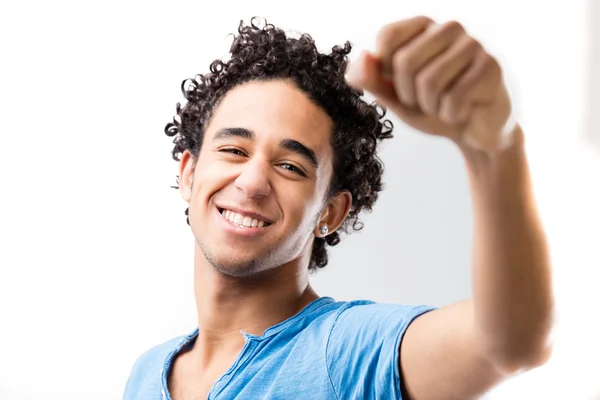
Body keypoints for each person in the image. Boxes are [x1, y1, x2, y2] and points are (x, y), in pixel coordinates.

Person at [123, 16, 554, 400]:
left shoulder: (347, 352)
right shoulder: (147, 373)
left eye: (290, 166)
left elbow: (509, 343)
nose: (252, 182)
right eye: (234, 149)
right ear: (188, 173)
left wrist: (494, 150)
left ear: (331, 212)